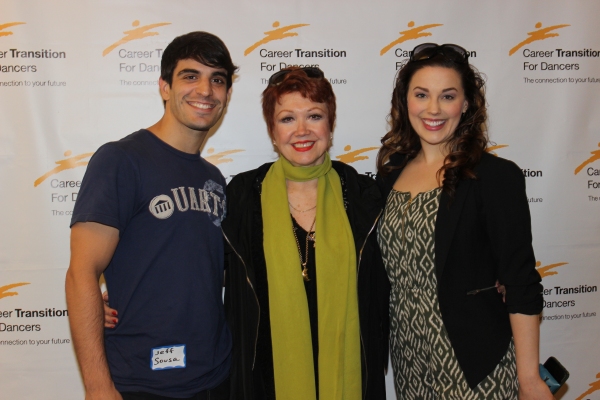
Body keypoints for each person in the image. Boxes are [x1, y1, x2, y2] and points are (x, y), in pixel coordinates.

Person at [65, 31, 237, 400]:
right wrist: (97, 388)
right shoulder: (120, 160)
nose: (205, 90)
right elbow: (81, 272)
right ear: (164, 86)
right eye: (190, 76)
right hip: (143, 381)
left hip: (215, 375)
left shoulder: (213, 178)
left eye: (217, 79)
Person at [375, 43, 552, 399]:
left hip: (475, 367)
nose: (433, 109)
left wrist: (530, 378)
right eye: (421, 94)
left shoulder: (493, 177)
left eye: (448, 96)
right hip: (410, 365)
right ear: (405, 101)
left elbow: (520, 282)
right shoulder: (390, 174)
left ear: (466, 103)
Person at [222, 67, 390, 399]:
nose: (302, 130)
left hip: (350, 378)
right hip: (265, 382)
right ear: (272, 130)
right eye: (287, 119)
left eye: (314, 116)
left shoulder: (363, 196)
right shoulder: (241, 196)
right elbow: (200, 271)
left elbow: (405, 269)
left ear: (330, 124)